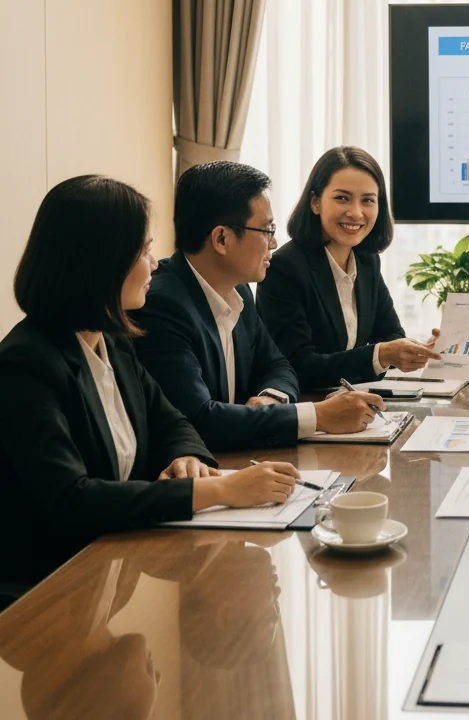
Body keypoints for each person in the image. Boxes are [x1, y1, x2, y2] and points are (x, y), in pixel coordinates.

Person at [0, 176, 301, 589]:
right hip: (46, 592)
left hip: (115, 567)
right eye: (143, 251)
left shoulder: (115, 343)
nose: (155, 264)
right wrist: (220, 491)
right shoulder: (26, 363)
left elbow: (174, 424)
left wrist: (187, 457)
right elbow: (71, 500)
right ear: (99, 262)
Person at [133, 163, 383, 451]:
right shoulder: (161, 304)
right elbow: (198, 420)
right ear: (222, 239)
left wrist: (271, 399)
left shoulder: (238, 288)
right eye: (267, 230)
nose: (274, 243)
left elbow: (278, 365)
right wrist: (318, 416)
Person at [256, 146, 440, 389]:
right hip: (309, 407)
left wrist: (418, 350)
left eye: (367, 200)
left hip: (355, 405)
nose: (356, 213)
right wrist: (383, 354)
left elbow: (390, 335)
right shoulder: (284, 267)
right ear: (315, 203)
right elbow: (297, 366)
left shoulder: (367, 260)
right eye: (342, 198)